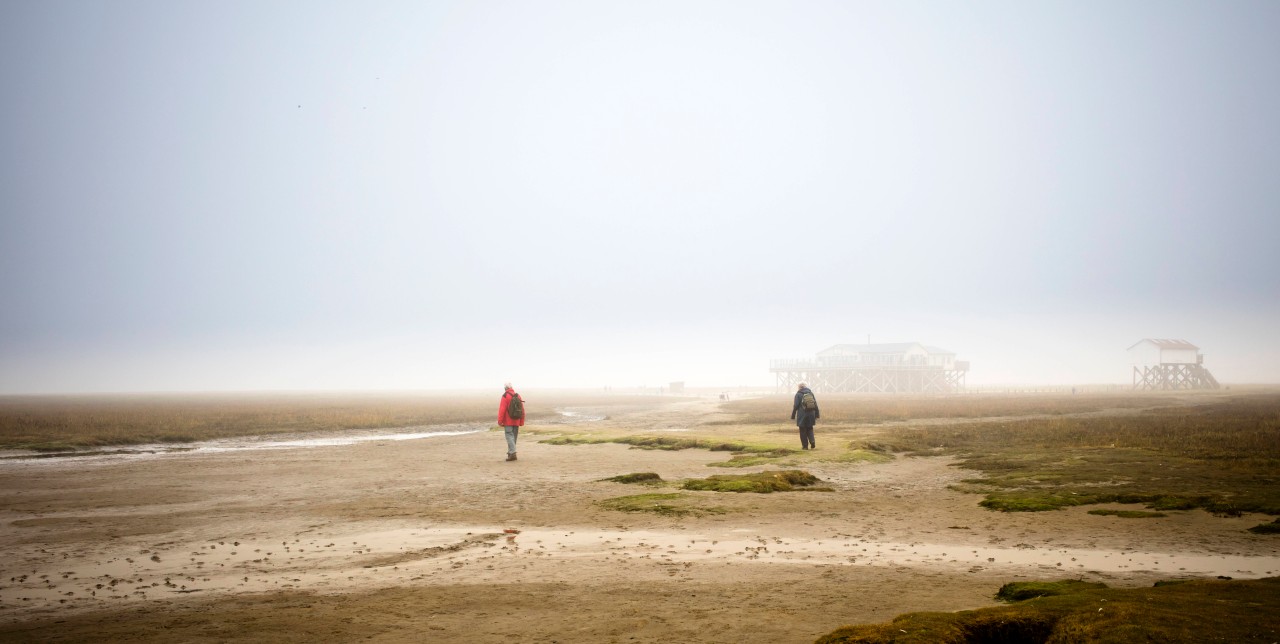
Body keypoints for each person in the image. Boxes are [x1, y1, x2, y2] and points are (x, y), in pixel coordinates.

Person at [497, 383, 524, 461]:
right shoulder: (517, 395)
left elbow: (502, 409)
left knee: (509, 436)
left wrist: (500, 421)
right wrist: (521, 420)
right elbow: (522, 409)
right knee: (513, 437)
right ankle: (511, 453)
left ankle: (512, 453)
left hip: (508, 421)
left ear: (505, 388)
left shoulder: (505, 396)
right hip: (517, 420)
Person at [790, 382, 819, 450]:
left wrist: (793, 415)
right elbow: (815, 404)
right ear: (805, 386)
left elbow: (796, 406)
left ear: (799, 387)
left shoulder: (798, 394)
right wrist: (817, 414)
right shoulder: (810, 393)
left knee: (802, 430)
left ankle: (805, 446)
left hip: (802, 414)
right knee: (810, 428)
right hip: (811, 414)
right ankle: (812, 441)